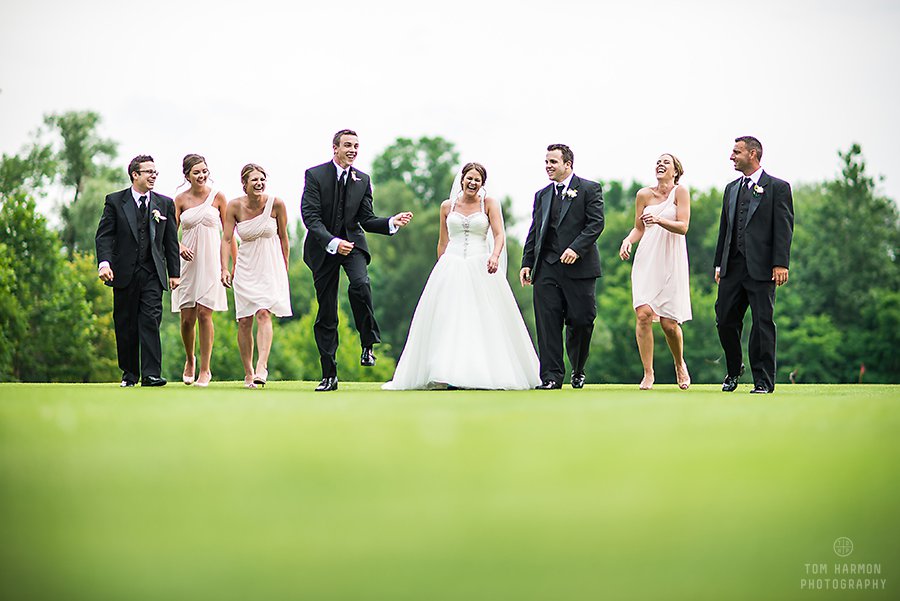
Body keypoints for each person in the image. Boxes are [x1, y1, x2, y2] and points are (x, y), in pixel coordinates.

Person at [384, 163, 540, 390]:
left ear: (482, 183)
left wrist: (494, 256)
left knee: (483, 318)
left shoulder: (489, 204)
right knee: (449, 319)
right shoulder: (447, 206)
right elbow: (443, 241)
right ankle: (447, 374)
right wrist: (441, 268)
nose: (473, 183)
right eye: (469, 178)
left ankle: (483, 372)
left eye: (477, 180)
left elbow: (499, 235)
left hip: (482, 264)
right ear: (462, 179)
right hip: (452, 264)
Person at [301, 129, 413, 392]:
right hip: (323, 248)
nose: (353, 150)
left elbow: (366, 218)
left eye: (356, 146)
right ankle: (329, 375)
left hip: (353, 245)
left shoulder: (363, 179)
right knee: (327, 311)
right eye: (348, 145)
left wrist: (390, 223)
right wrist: (333, 242)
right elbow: (310, 217)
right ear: (335, 147)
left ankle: (367, 345)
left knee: (361, 285)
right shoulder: (315, 175)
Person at [714, 136, 794, 394]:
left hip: (762, 268)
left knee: (762, 324)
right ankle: (734, 368)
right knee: (724, 320)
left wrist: (780, 263)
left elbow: (784, 228)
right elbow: (724, 230)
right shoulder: (731, 188)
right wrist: (718, 264)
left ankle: (763, 381)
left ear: (753, 154)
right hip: (732, 267)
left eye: (736, 152)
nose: (731, 157)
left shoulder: (778, 188)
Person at [520, 144, 604, 389]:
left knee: (582, 320)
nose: (548, 166)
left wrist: (575, 249)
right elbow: (535, 230)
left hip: (580, 269)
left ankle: (578, 368)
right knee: (547, 323)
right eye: (546, 162)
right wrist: (527, 262)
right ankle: (551, 377)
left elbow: (596, 224)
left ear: (568, 164)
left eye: (553, 162)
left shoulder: (589, 188)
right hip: (546, 268)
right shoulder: (542, 195)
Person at [95, 154, 180, 387]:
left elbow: (170, 241)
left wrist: (174, 273)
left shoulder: (164, 203)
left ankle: (151, 374)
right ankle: (130, 375)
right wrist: (104, 264)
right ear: (135, 174)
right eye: (149, 172)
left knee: (151, 320)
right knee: (126, 324)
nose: (153, 176)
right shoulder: (114, 201)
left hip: (152, 273)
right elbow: (104, 236)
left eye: (155, 172)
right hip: (123, 273)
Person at [619, 153, 692, 390]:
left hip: (671, 259)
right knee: (643, 315)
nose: (660, 165)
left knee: (669, 325)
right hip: (647, 259)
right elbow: (638, 228)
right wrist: (627, 240)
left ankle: (679, 364)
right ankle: (648, 373)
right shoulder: (643, 194)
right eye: (658, 162)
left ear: (676, 171)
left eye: (666, 162)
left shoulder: (680, 192)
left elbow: (683, 227)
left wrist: (659, 220)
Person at [221, 163, 291, 388]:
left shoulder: (276, 204)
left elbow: (284, 238)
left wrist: (285, 267)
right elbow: (227, 239)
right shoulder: (234, 206)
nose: (259, 183)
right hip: (245, 266)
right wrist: (224, 267)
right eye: (254, 180)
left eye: (262, 179)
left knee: (263, 313)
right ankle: (249, 372)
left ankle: (262, 366)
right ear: (245, 184)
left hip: (270, 266)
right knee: (244, 321)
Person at [171, 154, 232, 387]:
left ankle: (206, 370)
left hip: (211, 262)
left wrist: (227, 268)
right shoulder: (180, 200)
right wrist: (180, 247)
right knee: (187, 319)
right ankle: (190, 359)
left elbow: (228, 236)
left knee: (205, 314)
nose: (202, 175)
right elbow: (169, 236)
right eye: (196, 172)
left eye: (204, 171)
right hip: (187, 263)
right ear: (187, 175)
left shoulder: (218, 198)